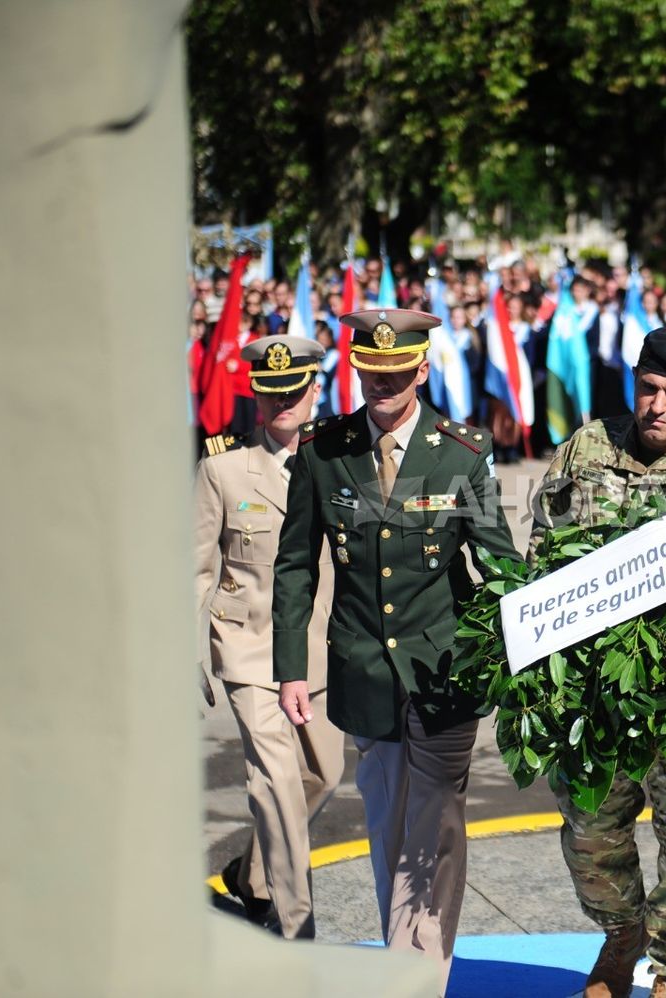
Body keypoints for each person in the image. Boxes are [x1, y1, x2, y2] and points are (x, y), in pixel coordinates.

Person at [272, 307, 518, 992]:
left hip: (445, 670)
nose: (383, 385)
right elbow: (295, 564)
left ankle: (418, 974)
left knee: (434, 828)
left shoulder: (462, 453)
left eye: (397, 373)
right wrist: (292, 668)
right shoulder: (325, 450)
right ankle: (401, 955)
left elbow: (499, 562)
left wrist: (536, 636)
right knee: (386, 824)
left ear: (422, 369)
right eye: (371, 373)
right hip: (361, 669)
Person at [529, 327, 666, 998]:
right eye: (648, 389)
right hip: (598, 694)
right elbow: (544, 544)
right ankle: (621, 933)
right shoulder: (586, 449)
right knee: (590, 831)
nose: (657, 405)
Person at [195, 334, 344, 939]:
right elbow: (195, 567)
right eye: (269, 394)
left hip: (320, 650)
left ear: (315, 391)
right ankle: (294, 925)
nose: (281, 404)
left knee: (322, 777)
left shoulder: (339, 459)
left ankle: (253, 874)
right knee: (277, 783)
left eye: (293, 392)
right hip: (249, 647)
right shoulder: (223, 467)